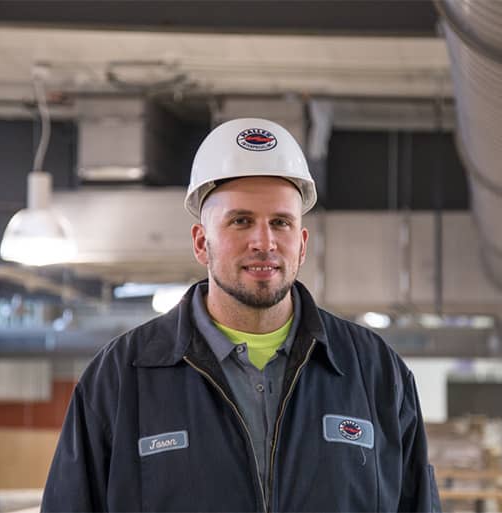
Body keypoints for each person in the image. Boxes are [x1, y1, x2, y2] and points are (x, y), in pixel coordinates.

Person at [41, 118, 442, 513]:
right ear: (202, 242)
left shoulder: (374, 372)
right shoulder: (122, 377)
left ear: (301, 244)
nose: (263, 242)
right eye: (241, 221)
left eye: (280, 223)